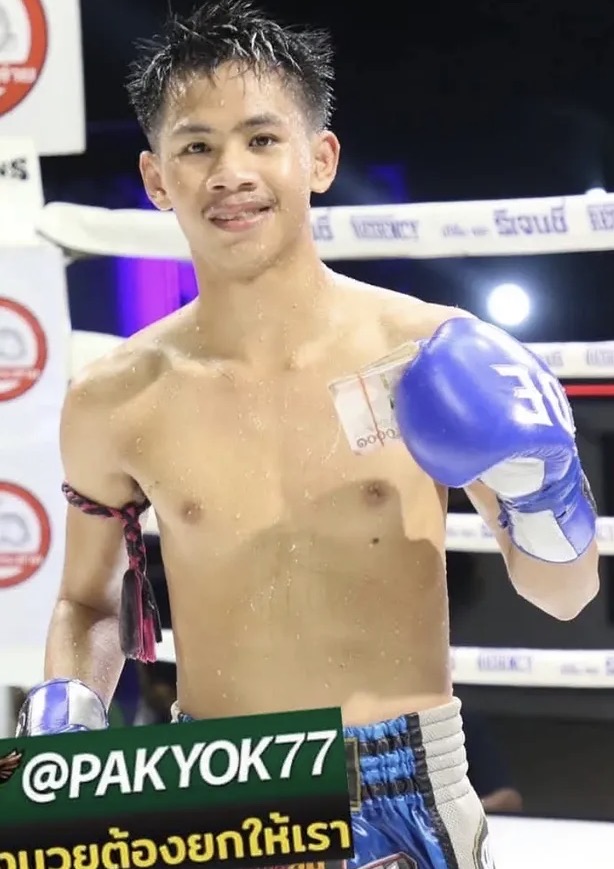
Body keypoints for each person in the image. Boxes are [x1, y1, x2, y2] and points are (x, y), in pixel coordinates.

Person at [17, 2, 599, 867]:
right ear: (155, 177)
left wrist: (541, 486)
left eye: (261, 138)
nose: (230, 172)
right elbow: (87, 602)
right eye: (196, 146)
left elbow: (566, 594)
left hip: (398, 782)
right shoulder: (115, 398)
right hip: (220, 784)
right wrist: (66, 705)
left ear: (319, 158)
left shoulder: (427, 353)